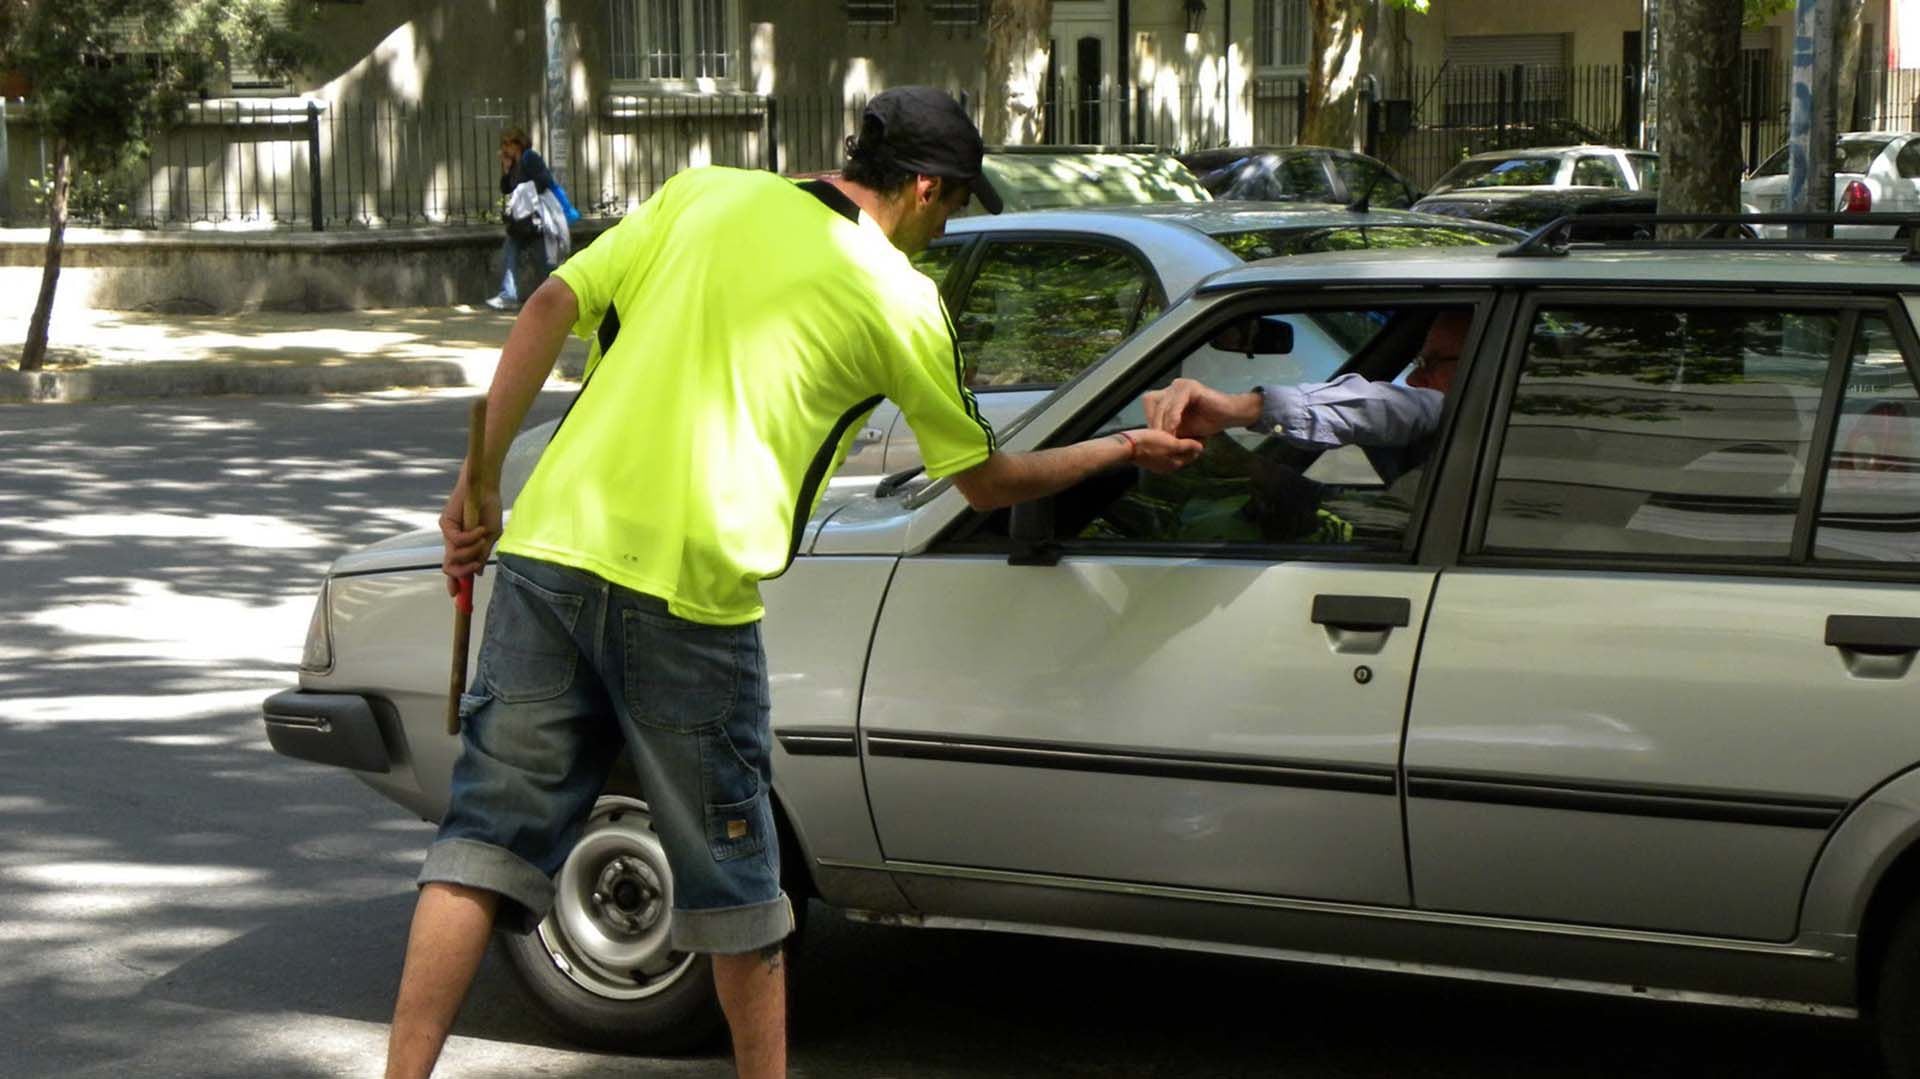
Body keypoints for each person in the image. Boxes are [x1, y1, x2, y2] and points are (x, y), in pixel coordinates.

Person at [384, 85, 1202, 1079]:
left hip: (550, 555)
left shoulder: (705, 195)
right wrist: (1120, 447)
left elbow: (552, 302)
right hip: (690, 596)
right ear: (928, 187)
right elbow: (983, 480)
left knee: (480, 846)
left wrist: (476, 483)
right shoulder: (899, 300)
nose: (943, 233)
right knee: (737, 890)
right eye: (951, 209)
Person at [1144, 308, 1470, 482]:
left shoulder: (1442, 412)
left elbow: (1388, 406)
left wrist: (1239, 407)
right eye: (1417, 361)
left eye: (1433, 362)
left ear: (1484, 360)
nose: (1413, 378)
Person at [486, 127, 560, 311]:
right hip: (521, 222)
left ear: (518, 144)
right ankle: (508, 295)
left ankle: (557, 297)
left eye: (507, 144)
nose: (504, 149)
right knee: (509, 252)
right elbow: (505, 189)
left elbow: (544, 180)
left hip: (536, 219)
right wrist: (506, 169)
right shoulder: (514, 163)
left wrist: (524, 191)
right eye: (503, 145)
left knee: (545, 262)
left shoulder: (530, 158)